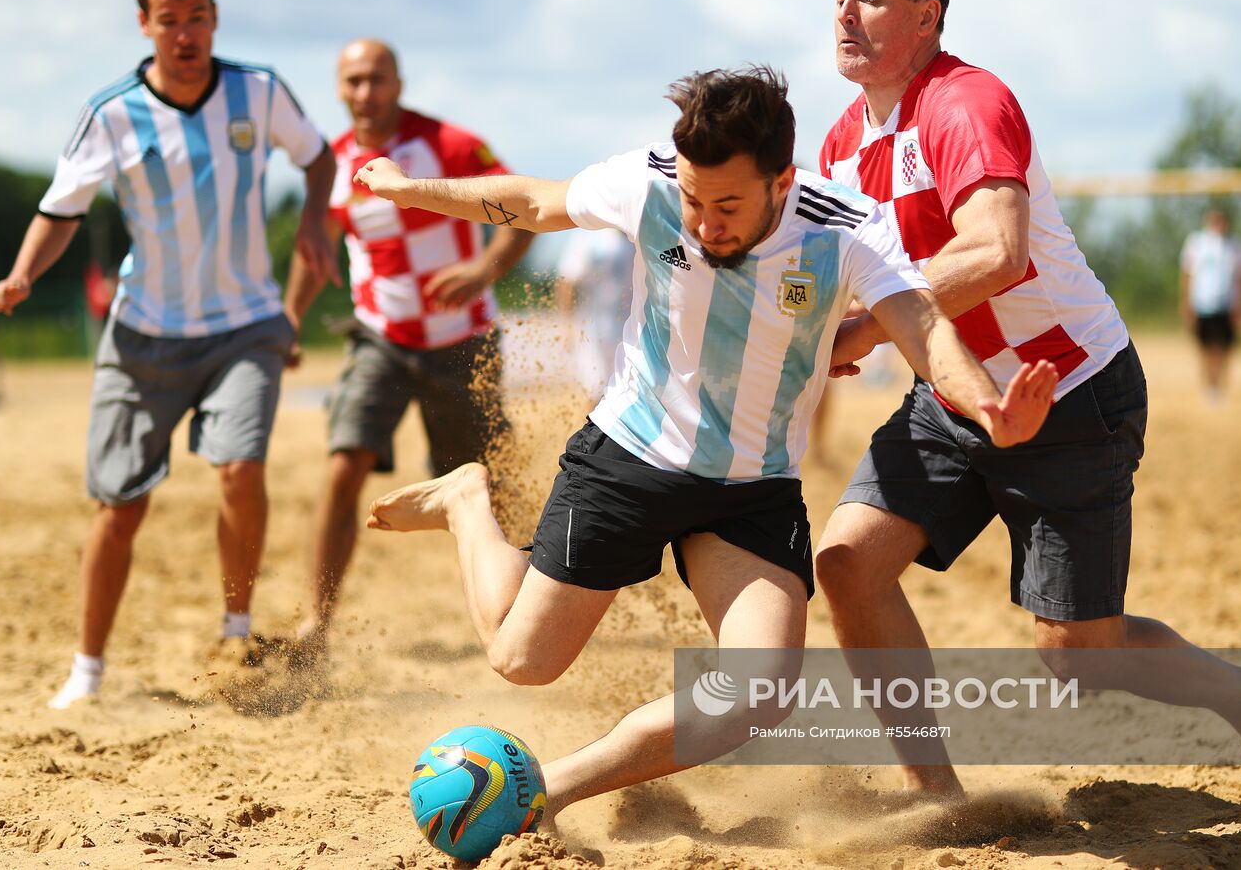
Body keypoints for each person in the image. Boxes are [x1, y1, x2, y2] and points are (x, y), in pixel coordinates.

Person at [354, 66, 1058, 822]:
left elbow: (922, 327)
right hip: (629, 457)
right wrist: (408, 188)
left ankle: (547, 787)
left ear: (782, 180)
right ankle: (466, 499)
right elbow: (532, 201)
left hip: (751, 490)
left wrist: (988, 409)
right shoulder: (650, 181)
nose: (704, 223)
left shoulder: (846, 226)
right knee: (521, 660)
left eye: (727, 205)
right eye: (694, 201)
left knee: (757, 693)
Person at [814, 0, 1241, 799]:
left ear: (927, 14)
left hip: (1070, 393)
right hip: (954, 392)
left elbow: (999, 251)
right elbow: (834, 281)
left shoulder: (965, 101)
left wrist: (866, 324)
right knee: (847, 562)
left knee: (1077, 656)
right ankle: (939, 799)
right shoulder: (837, 147)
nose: (844, 15)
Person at [0, 0, 337, 709]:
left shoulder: (259, 91)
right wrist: (21, 276)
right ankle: (87, 669)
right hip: (144, 332)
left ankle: (236, 628)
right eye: (168, 20)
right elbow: (60, 210)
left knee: (240, 468)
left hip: (246, 323)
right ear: (144, 24)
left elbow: (319, 156)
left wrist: (312, 220)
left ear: (215, 17)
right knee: (121, 504)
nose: (185, 34)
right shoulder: (110, 112)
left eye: (197, 17)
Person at [284, 39, 534, 653]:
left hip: (463, 342)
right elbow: (313, 249)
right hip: (381, 338)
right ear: (339, 89)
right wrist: (289, 319)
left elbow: (525, 213)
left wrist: (482, 269)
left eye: (376, 79)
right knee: (344, 465)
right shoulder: (333, 165)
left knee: (488, 485)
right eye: (353, 82)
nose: (365, 93)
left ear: (398, 82)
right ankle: (317, 624)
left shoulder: (448, 145)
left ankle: (523, 615)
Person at [553, 227, 634, 402]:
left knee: (628, 392)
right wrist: (566, 325)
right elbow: (566, 281)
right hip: (591, 330)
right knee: (595, 391)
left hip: (630, 329)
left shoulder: (637, 235)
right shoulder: (588, 236)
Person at [1180, 209, 1241, 402]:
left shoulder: (1235, 246)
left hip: (1227, 304)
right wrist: (1186, 302)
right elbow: (1186, 275)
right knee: (1204, 348)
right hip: (1202, 303)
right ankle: (1209, 388)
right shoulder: (1197, 243)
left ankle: (1221, 387)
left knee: (1225, 349)